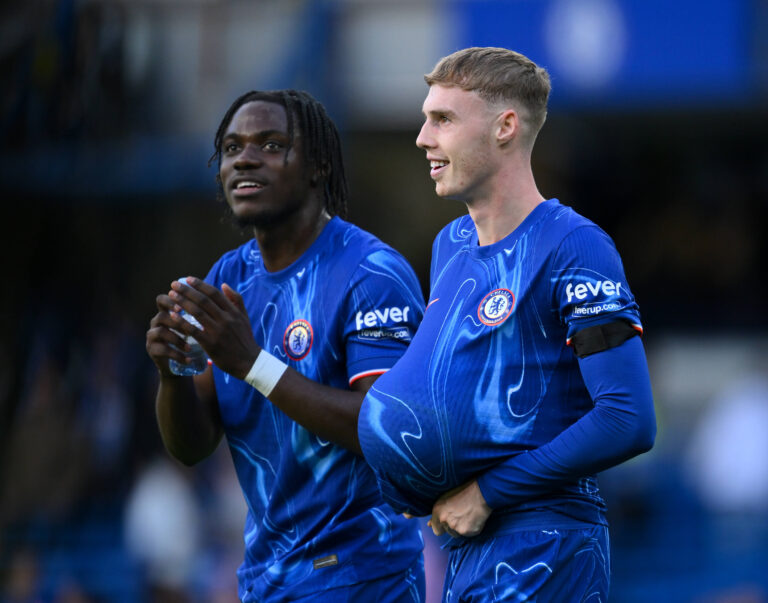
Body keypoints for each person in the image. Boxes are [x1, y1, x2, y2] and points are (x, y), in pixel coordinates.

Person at [355, 47, 657, 601]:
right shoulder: (451, 244)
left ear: (505, 127)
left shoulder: (576, 245)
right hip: (467, 546)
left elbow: (628, 417)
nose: (423, 138)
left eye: (442, 119)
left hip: (546, 547)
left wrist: (489, 493)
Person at [145, 89, 426, 602]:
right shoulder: (228, 277)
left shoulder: (371, 274)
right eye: (232, 148)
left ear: (317, 165)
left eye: (271, 145)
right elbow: (191, 446)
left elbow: (389, 431)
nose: (245, 158)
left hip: (363, 577)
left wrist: (252, 363)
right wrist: (172, 374)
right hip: (266, 581)